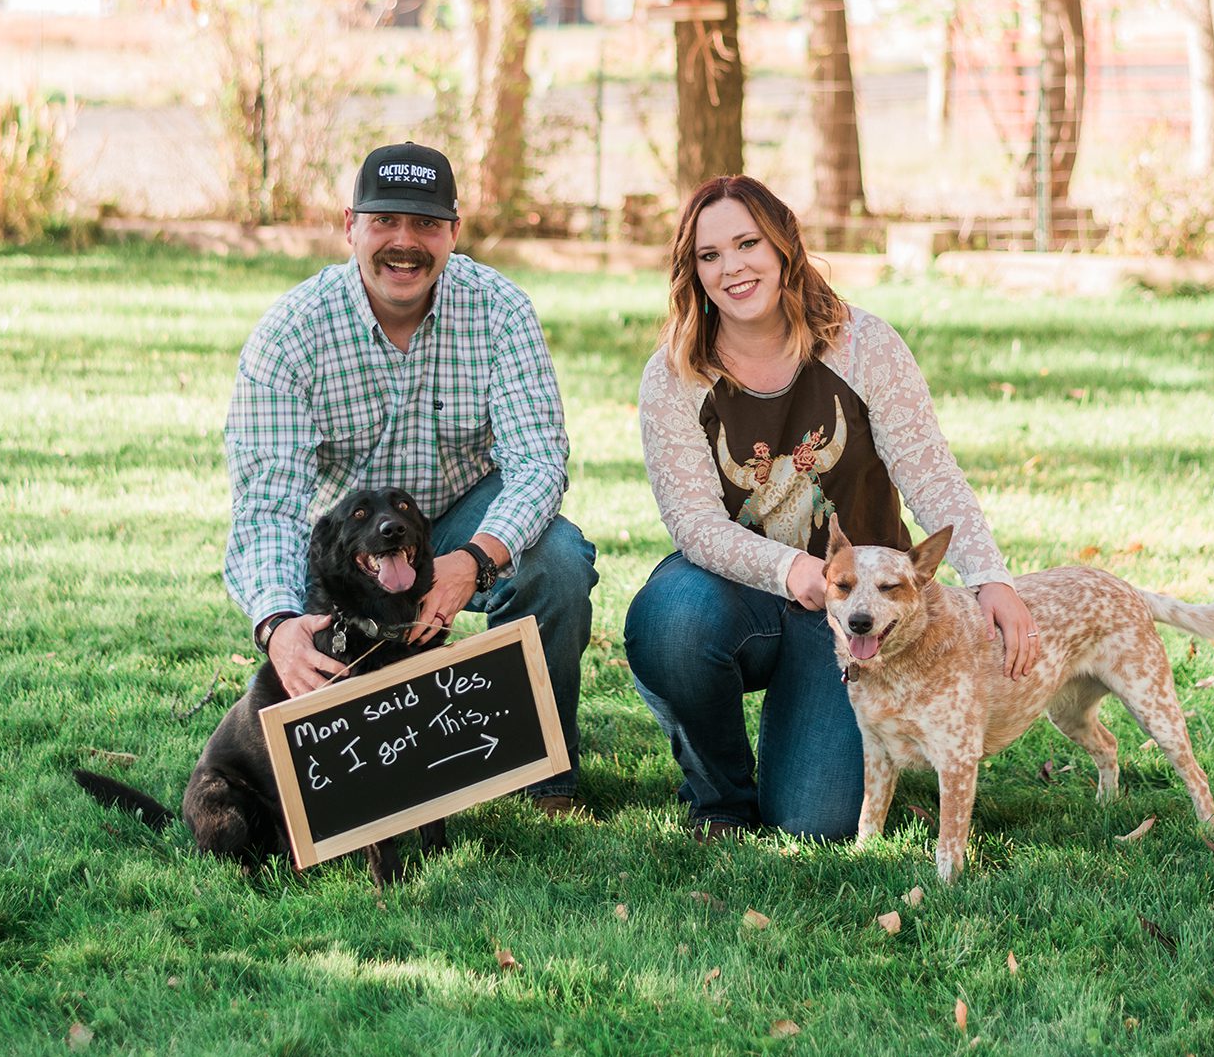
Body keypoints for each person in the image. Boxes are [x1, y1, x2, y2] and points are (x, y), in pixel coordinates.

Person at [624, 175, 1037, 842]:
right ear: (692, 271)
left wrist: (991, 575)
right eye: (709, 255)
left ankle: (809, 730)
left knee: (814, 819)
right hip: (741, 593)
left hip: (860, 607)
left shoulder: (862, 345)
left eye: (748, 243)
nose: (732, 267)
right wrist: (793, 571)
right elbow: (694, 524)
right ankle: (720, 796)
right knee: (671, 621)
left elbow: (929, 471)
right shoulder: (675, 373)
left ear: (785, 245)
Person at [223, 140, 597, 814]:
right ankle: (361, 787)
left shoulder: (500, 311)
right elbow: (269, 505)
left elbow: (538, 461)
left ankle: (548, 777)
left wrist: (473, 561)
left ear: (454, 231)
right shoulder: (291, 333)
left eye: (425, 224)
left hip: (460, 512)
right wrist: (277, 622)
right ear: (350, 226)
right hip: (345, 540)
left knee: (559, 562)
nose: (405, 242)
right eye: (385, 220)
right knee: (312, 652)